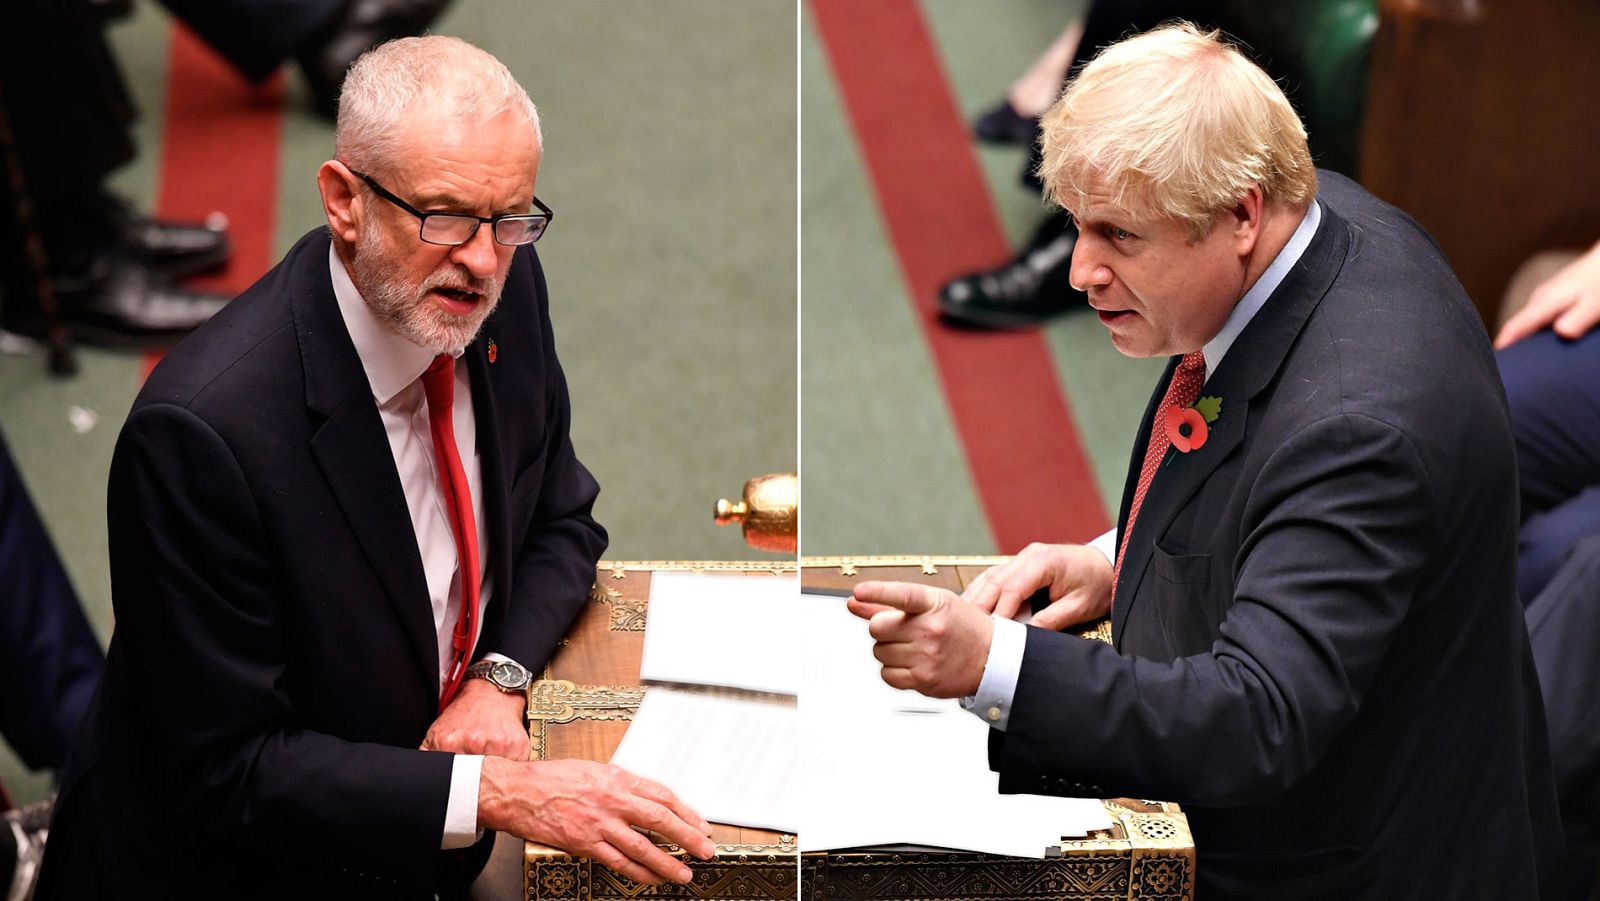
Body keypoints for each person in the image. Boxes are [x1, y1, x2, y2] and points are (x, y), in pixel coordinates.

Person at [848, 24, 1562, 899]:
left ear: (1242, 214)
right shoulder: (1320, 219)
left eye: (1118, 237)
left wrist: (997, 663)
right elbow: (1263, 479)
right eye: (1076, 226)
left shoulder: (1357, 426)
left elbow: (1260, 716)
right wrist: (1122, 556)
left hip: (1341, 863)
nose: (1080, 272)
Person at [36, 36, 713, 900]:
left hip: (421, 846)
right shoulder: (203, 435)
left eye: (510, 218)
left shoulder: (503, 282)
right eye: (444, 216)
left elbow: (559, 518)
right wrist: (492, 789)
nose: (482, 260)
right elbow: (229, 769)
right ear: (343, 200)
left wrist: (495, 681)